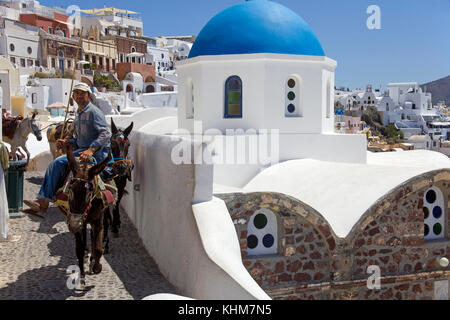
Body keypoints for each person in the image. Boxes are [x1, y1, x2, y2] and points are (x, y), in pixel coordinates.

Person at [23, 83, 111, 213]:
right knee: (55, 164)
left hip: (95, 154)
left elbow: (106, 133)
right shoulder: (80, 112)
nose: (79, 96)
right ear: (73, 97)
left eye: (82, 94)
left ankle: (44, 201)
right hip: (81, 150)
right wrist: (66, 142)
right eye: (77, 94)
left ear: (89, 96)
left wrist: (90, 150)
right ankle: (46, 199)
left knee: (57, 163)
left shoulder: (93, 112)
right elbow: (80, 140)